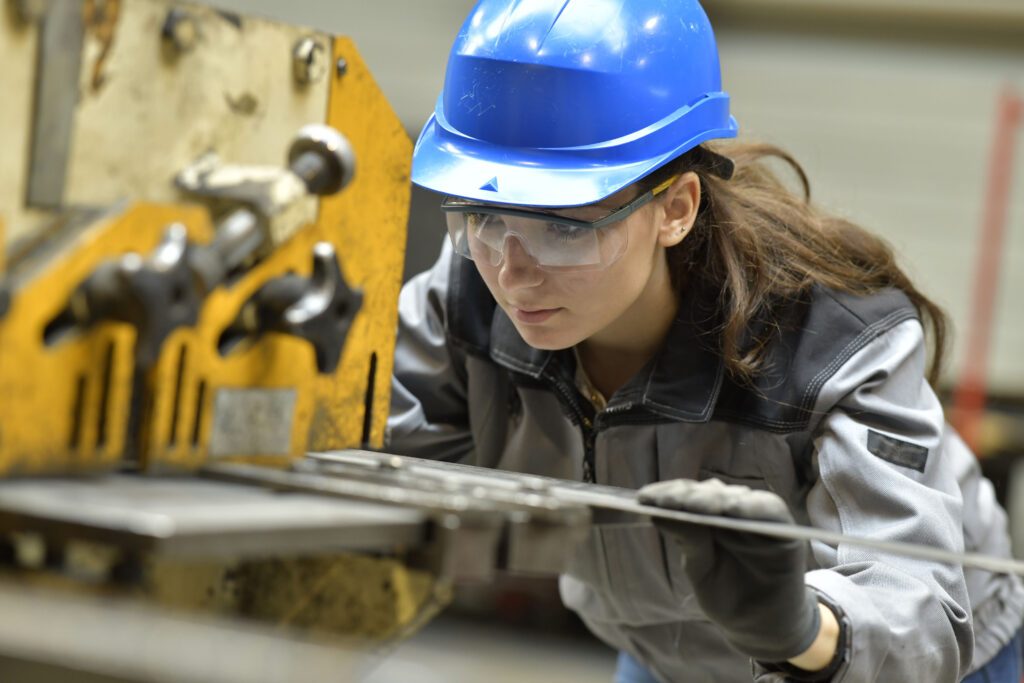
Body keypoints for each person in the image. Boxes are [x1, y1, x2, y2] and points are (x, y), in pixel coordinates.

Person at [386, 1, 1024, 680]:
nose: (510, 273)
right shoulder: (463, 304)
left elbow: (916, 612)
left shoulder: (827, 346)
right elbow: (361, 469)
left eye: (564, 229)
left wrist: (798, 627)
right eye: (482, 215)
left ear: (676, 208)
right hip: (666, 649)